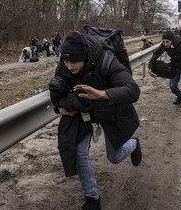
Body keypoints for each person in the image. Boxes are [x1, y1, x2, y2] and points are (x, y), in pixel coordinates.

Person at [48, 31, 142, 210]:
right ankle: (92, 198)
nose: (69, 66)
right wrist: (58, 106)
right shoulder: (66, 64)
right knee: (79, 151)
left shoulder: (107, 61)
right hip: (85, 109)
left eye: (73, 62)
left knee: (114, 157)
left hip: (110, 107)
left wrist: (102, 94)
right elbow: (57, 89)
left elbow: (133, 91)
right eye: (65, 62)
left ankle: (134, 144)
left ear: (84, 56)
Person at [147, 31, 181, 106]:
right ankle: (180, 96)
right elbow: (156, 54)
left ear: (172, 41)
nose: (165, 44)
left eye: (167, 42)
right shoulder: (163, 45)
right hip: (176, 65)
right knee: (173, 87)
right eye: (164, 42)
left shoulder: (180, 45)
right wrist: (150, 68)